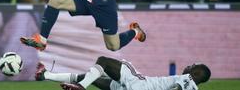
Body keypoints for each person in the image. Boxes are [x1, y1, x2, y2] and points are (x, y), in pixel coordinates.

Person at [33, 56, 211, 90]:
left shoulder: (188, 80)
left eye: (192, 66)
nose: (188, 67)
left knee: (103, 61)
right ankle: (45, 75)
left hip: (141, 85)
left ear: (196, 73)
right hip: (132, 87)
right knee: (93, 78)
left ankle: (80, 87)